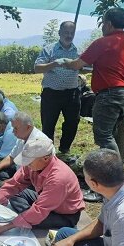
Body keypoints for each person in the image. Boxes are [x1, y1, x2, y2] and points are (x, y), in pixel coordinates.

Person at [64, 8, 124, 153]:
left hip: (109, 95)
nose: (102, 26)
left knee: (103, 137)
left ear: (109, 24)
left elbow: (77, 64)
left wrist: (62, 61)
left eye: (103, 23)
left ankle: (117, 172)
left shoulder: (103, 43)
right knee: (110, 134)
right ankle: (108, 169)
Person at [0, 135, 84, 233]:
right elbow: (14, 184)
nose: (26, 164)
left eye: (29, 161)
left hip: (64, 214)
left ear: (45, 158)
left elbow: (40, 209)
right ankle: (27, 216)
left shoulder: (59, 178)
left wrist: (5, 227)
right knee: (16, 194)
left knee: (35, 220)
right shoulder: (32, 165)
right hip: (43, 200)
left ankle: (28, 217)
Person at [34, 21, 81, 153]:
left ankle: (65, 149)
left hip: (72, 93)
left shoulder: (78, 51)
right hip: (52, 94)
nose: (69, 35)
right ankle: (48, 152)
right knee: (48, 124)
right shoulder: (49, 49)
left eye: (72, 33)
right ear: (59, 33)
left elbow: (86, 67)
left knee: (72, 122)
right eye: (66, 32)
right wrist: (54, 63)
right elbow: (37, 68)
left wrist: (80, 66)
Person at [0, 111, 46, 188]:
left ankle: (8, 186)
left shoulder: (37, 143)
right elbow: (11, 157)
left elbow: (25, 177)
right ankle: (8, 185)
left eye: (16, 128)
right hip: (19, 170)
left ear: (28, 127)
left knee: (16, 193)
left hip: (31, 180)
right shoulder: (22, 137)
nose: (13, 131)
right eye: (13, 128)